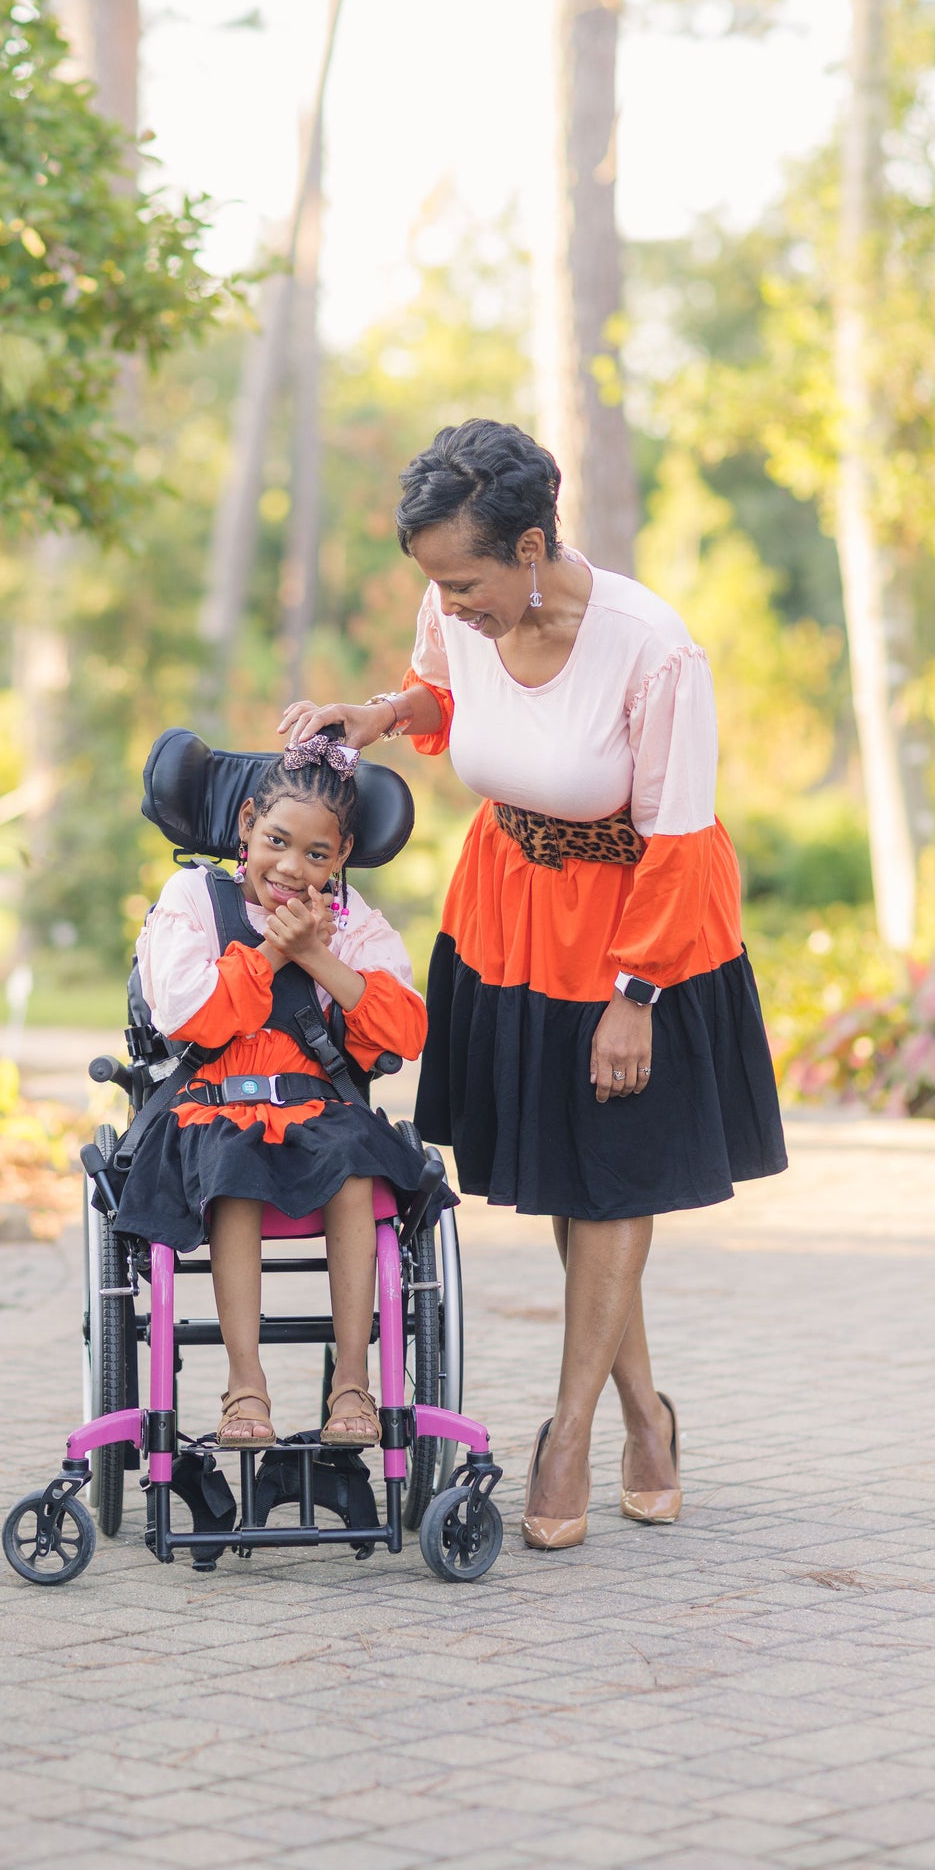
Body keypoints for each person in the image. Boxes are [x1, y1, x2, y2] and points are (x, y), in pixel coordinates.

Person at [281, 418, 788, 1548]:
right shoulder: (455, 611)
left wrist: (636, 993)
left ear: (526, 548)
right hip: (507, 914)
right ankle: (646, 1417)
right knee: (577, 1179)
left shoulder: (650, 648)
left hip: (632, 929)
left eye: (464, 581)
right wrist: (377, 715)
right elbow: (443, 693)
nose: (449, 604)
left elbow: (680, 837)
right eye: (433, 583)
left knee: (612, 1171)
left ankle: (568, 1434)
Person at [113, 730, 432, 1453]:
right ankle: (244, 1382)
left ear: (341, 856)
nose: (291, 868)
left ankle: (352, 1383)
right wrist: (269, 952)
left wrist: (315, 952)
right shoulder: (194, 895)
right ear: (247, 823)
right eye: (278, 842)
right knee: (234, 1163)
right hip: (210, 1106)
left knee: (357, 1160)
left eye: (317, 855)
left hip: (316, 1107)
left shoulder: (353, 925)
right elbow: (189, 1013)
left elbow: (402, 1031)